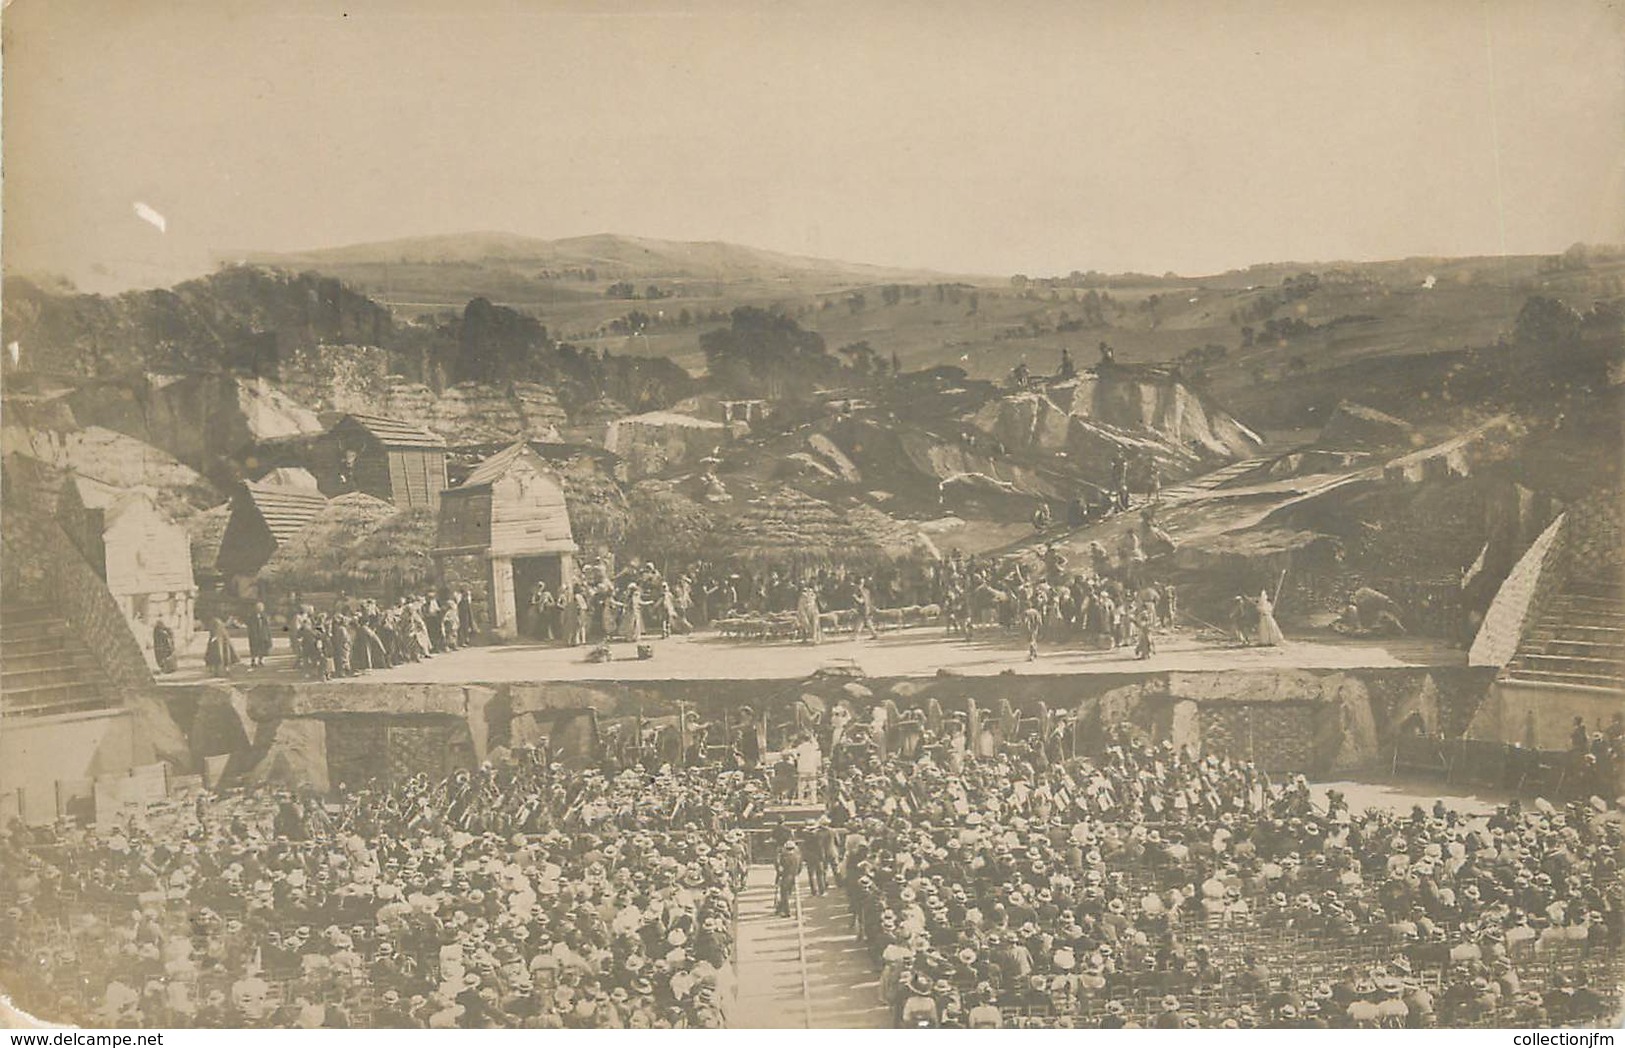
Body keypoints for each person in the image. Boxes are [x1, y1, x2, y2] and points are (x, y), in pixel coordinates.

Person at [775, 839, 803, 917]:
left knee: (784, 894)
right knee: (789, 894)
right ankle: (780, 908)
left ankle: (786, 911)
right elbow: (800, 867)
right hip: (794, 876)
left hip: (786, 876)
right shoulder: (798, 856)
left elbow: (780, 868)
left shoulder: (784, 857)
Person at [246, 601, 273, 669]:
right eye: (258, 608)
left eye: (261, 608)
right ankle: (253, 660)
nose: (259, 609)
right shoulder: (251, 616)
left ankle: (261, 660)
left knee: (262, 647)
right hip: (254, 634)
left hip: (262, 634)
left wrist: (268, 635)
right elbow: (249, 625)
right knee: (254, 647)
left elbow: (267, 626)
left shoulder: (264, 616)